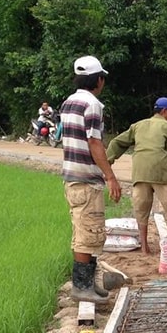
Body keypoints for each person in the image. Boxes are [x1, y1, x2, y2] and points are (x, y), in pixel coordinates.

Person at [60, 55, 122, 304]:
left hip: (71, 178)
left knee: (83, 231)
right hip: (86, 179)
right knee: (89, 232)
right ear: (98, 80)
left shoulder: (68, 102)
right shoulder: (93, 105)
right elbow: (94, 142)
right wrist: (110, 176)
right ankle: (82, 287)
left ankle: (88, 285)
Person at [105, 97, 167, 253]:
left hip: (140, 172)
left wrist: (108, 161)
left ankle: (145, 248)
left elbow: (116, 143)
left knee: (141, 210)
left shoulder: (137, 125)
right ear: (165, 111)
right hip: (161, 172)